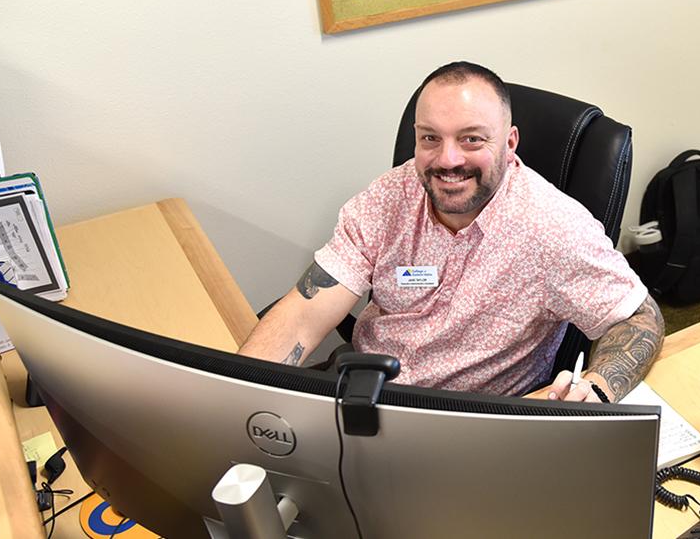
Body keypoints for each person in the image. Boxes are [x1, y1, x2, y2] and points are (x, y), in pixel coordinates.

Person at [239, 61, 664, 403]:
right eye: (430, 139)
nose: (447, 160)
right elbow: (303, 316)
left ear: (510, 143)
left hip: (468, 424)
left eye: (471, 140)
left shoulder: (552, 228)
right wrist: (237, 400)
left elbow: (639, 318)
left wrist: (598, 388)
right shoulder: (387, 199)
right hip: (364, 391)